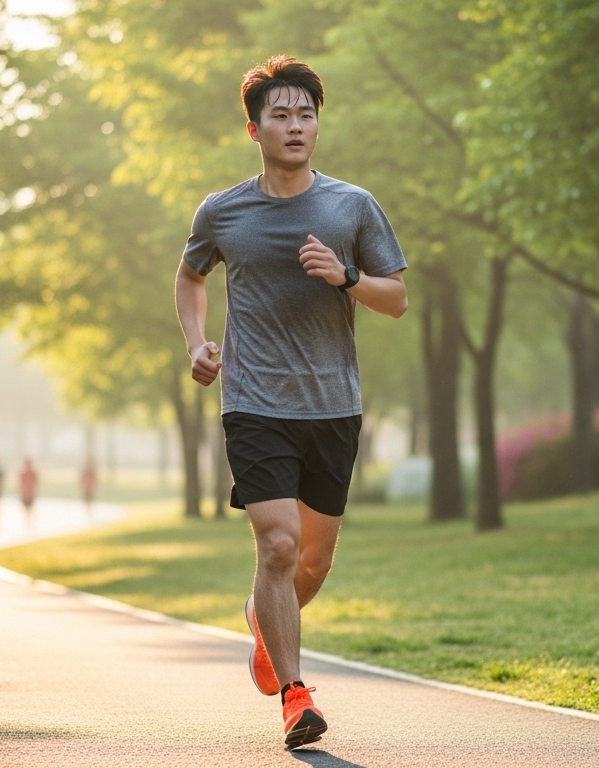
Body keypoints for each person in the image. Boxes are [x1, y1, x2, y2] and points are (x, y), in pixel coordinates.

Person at [175, 55, 408, 750]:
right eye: (281, 114)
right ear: (254, 128)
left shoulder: (352, 206)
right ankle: (296, 695)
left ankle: (262, 620)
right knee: (277, 544)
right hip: (254, 402)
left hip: (333, 404)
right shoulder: (223, 210)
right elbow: (190, 277)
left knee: (313, 561)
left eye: (306, 114)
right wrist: (195, 342)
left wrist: (347, 276)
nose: (296, 125)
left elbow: (396, 299)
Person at [18, 457, 38, 528]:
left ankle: (29, 521)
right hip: (25, 492)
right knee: (27, 508)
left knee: (30, 508)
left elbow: (36, 482)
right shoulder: (23, 472)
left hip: (30, 492)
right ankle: (28, 521)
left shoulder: (33, 472)